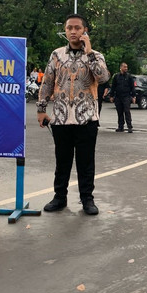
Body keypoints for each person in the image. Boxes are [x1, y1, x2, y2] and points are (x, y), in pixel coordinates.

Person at [37, 14, 110, 215]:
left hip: (86, 118)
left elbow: (103, 77)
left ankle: (87, 199)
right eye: (69, 28)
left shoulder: (96, 55)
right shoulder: (57, 55)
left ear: (85, 31)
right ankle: (59, 197)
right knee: (62, 161)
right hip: (61, 118)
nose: (73, 32)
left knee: (86, 162)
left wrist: (89, 52)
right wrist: (42, 109)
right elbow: (47, 83)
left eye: (77, 28)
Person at [108, 62, 136, 133]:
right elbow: (113, 87)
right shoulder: (116, 77)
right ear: (121, 68)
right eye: (124, 67)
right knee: (119, 112)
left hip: (126, 96)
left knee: (127, 111)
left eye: (126, 67)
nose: (126, 68)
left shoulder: (129, 77)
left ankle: (129, 127)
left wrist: (133, 96)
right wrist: (111, 96)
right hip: (118, 97)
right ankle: (120, 127)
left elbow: (132, 87)